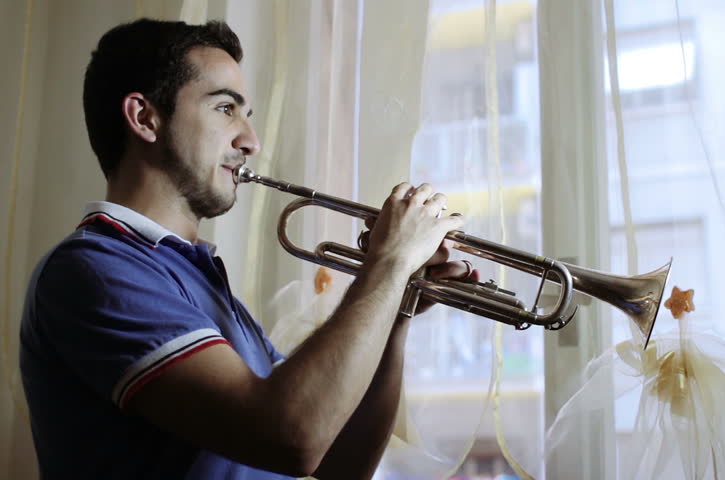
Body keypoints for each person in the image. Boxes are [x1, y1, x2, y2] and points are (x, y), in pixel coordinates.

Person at [19, 19, 476, 479]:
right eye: (225, 109)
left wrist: (397, 306)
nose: (250, 142)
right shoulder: (95, 270)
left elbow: (340, 464)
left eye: (248, 116)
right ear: (144, 118)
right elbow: (290, 436)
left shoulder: (200, 283)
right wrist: (388, 264)